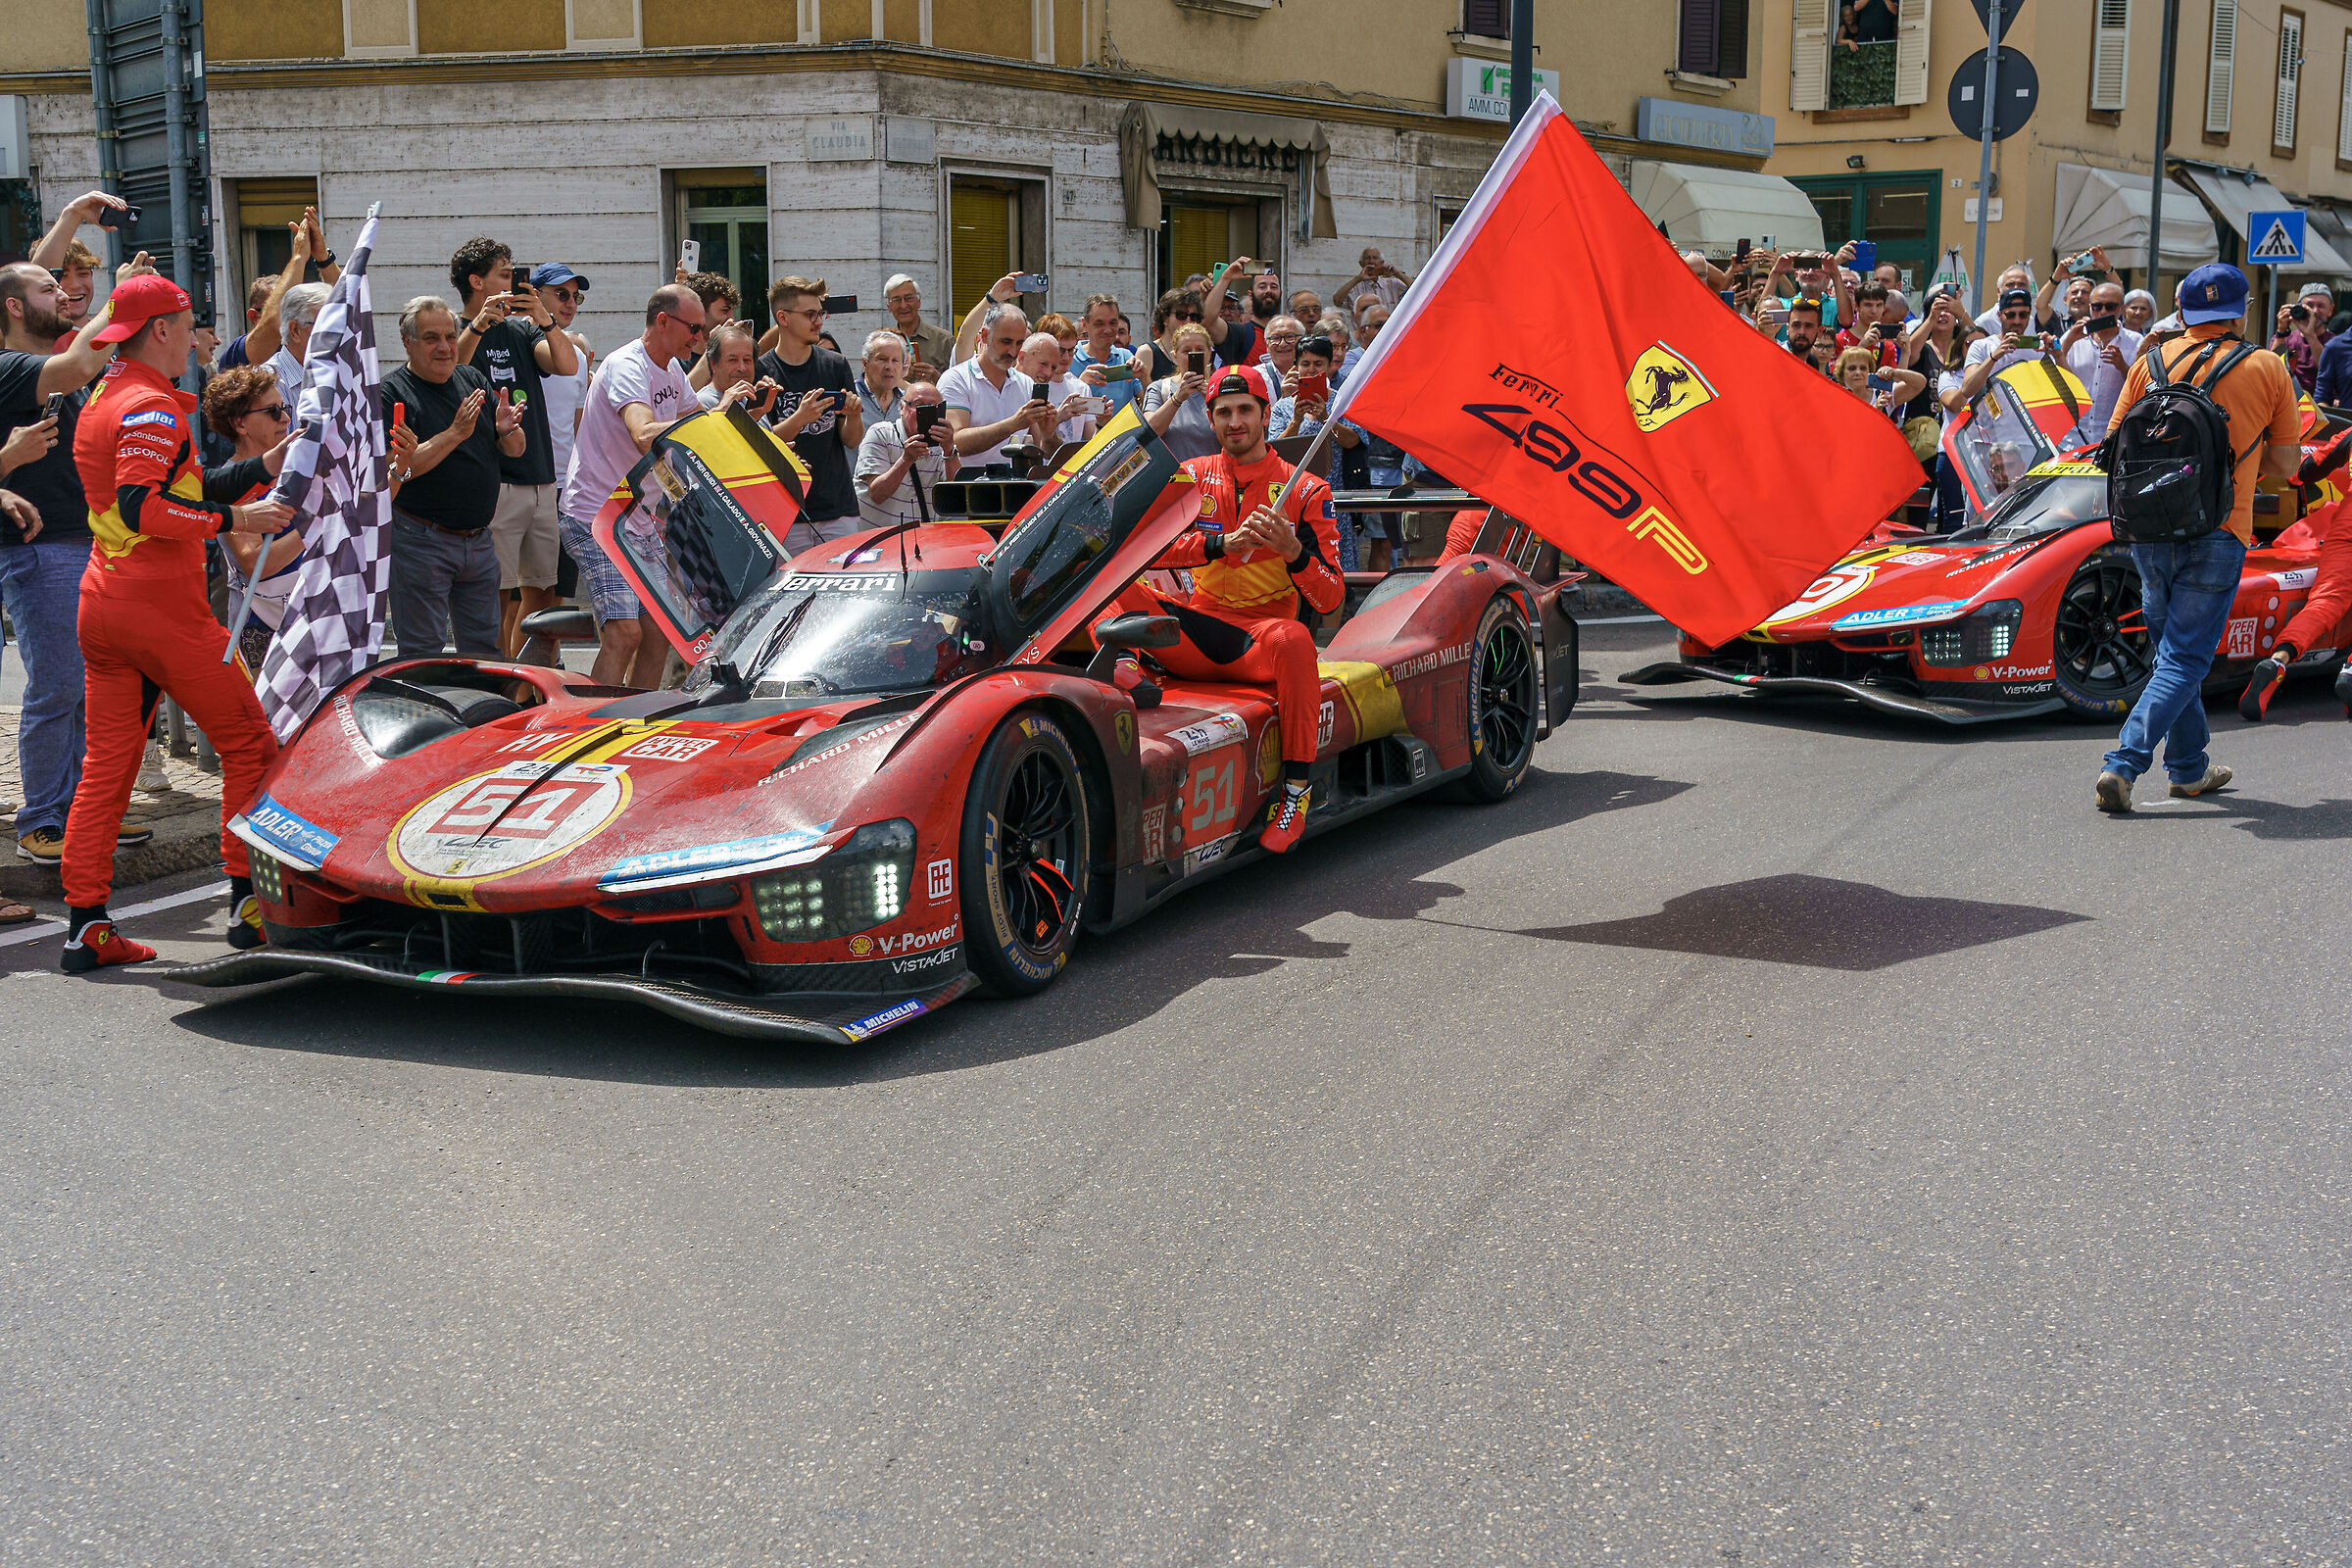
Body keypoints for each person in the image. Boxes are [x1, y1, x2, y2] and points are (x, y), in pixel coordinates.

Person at [61, 271, 295, 971]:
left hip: (105, 602)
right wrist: (238, 517)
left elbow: (167, 492)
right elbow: (144, 508)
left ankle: (84, 926)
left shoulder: (106, 393)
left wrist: (258, 469)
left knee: (107, 767)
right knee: (250, 743)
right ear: (160, 329)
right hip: (160, 610)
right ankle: (246, 908)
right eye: (191, 322)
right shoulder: (151, 409)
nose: (199, 337)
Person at [1092, 364, 1342, 854]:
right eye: (1223, 412)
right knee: (1105, 572)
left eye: (1245, 410)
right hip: (1191, 633)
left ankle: (1296, 792)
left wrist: (1294, 553)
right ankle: (1125, 662)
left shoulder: (1306, 489)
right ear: (1209, 419)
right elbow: (1144, 550)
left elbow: (1330, 598)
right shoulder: (1190, 477)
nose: (1235, 422)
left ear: (1267, 414)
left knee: (1296, 639)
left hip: (1258, 643)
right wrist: (1217, 545)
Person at [2094, 263, 2300, 812]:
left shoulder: (2150, 362)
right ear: (2243, 311)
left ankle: (2188, 769)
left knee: (2171, 653)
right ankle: (2123, 763)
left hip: (2147, 527)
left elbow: (2112, 446)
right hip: (2219, 526)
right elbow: (2285, 464)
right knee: (2185, 658)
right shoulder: (2266, 366)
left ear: (2181, 310)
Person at [0, 262, 139, 878]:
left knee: (93, 685)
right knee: (59, 684)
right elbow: (82, 361)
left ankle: (87, 810)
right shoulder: (11, 368)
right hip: (41, 548)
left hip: (82, 540)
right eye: (46, 289)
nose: (63, 295)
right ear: (12, 308)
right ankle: (43, 820)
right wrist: (127, 299)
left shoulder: (49, 371)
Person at [562, 284, 728, 687]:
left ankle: (634, 726)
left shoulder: (671, 369)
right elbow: (643, 433)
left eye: (703, 330)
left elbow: (698, 427)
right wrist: (712, 417)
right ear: (663, 321)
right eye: (694, 328)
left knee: (659, 631)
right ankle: (594, 725)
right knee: (625, 633)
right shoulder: (627, 365)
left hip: (637, 518)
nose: (700, 340)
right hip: (595, 516)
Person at [446, 238, 581, 662]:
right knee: (497, 595)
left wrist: (544, 319)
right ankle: (500, 684)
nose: (513, 281)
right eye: (505, 274)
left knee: (542, 591)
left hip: (541, 476)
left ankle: (529, 688)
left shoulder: (523, 328)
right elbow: (453, 371)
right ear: (476, 280)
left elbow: (566, 364)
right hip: (494, 481)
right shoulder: (452, 329)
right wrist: (477, 327)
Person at [383, 296, 525, 661]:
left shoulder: (471, 379)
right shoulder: (391, 394)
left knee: (486, 654)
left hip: (479, 542)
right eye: (432, 338)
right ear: (407, 342)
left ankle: (484, 717)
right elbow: (398, 471)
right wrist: (455, 434)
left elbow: (515, 450)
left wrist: (507, 431)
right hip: (420, 541)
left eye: (450, 336)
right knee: (422, 654)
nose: (445, 347)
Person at [203, 367, 309, 669]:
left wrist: (396, 471)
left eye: (285, 408)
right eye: (273, 411)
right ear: (240, 424)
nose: (286, 418)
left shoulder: (298, 468)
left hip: (311, 617)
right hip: (263, 626)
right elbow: (254, 563)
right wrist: (317, 525)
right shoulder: (230, 481)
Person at [756, 275, 864, 551]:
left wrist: (854, 414)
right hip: (785, 513)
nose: (819, 321)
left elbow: (851, 440)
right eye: (810, 314)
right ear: (783, 317)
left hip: (838, 509)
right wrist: (800, 418)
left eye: (820, 313)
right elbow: (759, 444)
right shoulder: (761, 371)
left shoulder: (835, 365)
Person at [941, 300, 1052, 474]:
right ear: (984, 336)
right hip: (969, 489)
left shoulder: (1026, 384)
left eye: (1019, 343)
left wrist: (1049, 431)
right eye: (1006, 342)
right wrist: (1012, 425)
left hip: (1016, 489)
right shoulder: (956, 379)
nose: (1012, 352)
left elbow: (1040, 450)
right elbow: (954, 442)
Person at [855, 378, 959, 529]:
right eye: (919, 405)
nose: (926, 412)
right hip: (880, 540)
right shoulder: (881, 433)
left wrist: (949, 448)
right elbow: (877, 494)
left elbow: (954, 498)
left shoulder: (942, 445)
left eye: (934, 407)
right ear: (902, 407)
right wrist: (906, 459)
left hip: (923, 540)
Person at [2058, 279, 2144, 437]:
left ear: (2122, 309)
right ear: (2090, 308)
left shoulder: (2136, 341)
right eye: (2097, 307)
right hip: (2073, 435)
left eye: (2110, 307)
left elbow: (2141, 388)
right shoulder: (2074, 336)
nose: (2103, 312)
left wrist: (2122, 366)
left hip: (2111, 434)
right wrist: (2069, 341)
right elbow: (2052, 374)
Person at [1139, 321, 1217, 461]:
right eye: (1186, 351)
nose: (1193, 354)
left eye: (1199, 349)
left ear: (1209, 354)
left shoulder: (1220, 389)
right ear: (1175, 356)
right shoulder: (1159, 388)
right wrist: (1177, 398)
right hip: (1175, 478)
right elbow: (1149, 432)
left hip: (1212, 477)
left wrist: (1213, 401)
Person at [1015, 330, 1094, 453]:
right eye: (1043, 364)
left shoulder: (1037, 394)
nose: (1048, 373)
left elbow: (1043, 453)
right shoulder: (1002, 384)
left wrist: (1050, 430)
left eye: (1053, 367)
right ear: (1022, 358)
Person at [1069, 293, 1139, 420]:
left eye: (1113, 323)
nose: (1107, 330)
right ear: (1085, 324)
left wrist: (1144, 376)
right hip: (1084, 440)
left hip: (1121, 439)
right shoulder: (1068, 360)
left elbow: (1147, 406)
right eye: (1099, 323)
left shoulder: (1126, 358)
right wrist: (1080, 386)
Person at [883, 272, 956, 378]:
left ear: (919, 301)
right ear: (888, 306)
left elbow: (961, 384)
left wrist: (938, 378)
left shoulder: (943, 340)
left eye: (908, 298)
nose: (903, 305)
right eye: (896, 300)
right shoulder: (883, 342)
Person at [2272, 281, 2333, 394]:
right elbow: (2272, 369)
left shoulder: (2335, 343)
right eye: (2309, 306)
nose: (2314, 311)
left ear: (2330, 310)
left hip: (2322, 407)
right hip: (2289, 403)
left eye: (2321, 306)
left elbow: (2327, 371)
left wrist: (2310, 336)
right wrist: (2281, 332)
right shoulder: (2285, 338)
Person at [1833, 346, 1925, 416]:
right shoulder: (1836, 397)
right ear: (1842, 372)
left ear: (1869, 371)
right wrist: (1875, 409)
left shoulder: (1882, 394)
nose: (1858, 372)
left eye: (1863, 368)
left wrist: (1895, 372)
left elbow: (1920, 383)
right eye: (1852, 368)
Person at [696, 320, 762, 410]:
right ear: (713, 364)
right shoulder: (702, 403)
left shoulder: (748, 398)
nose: (742, 368)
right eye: (733, 360)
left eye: (747, 360)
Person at [1335, 246, 1414, 317]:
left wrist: (1398, 274)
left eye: (1375, 258)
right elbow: (1337, 301)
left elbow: (1418, 289)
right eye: (1367, 258)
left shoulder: (1392, 283)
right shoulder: (1355, 287)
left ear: (1382, 263)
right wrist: (1358, 279)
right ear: (1361, 264)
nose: (1371, 261)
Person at [855, 329, 907, 424]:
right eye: (882, 359)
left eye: (895, 360)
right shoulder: (851, 397)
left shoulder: (907, 402)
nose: (889, 367)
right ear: (865, 363)